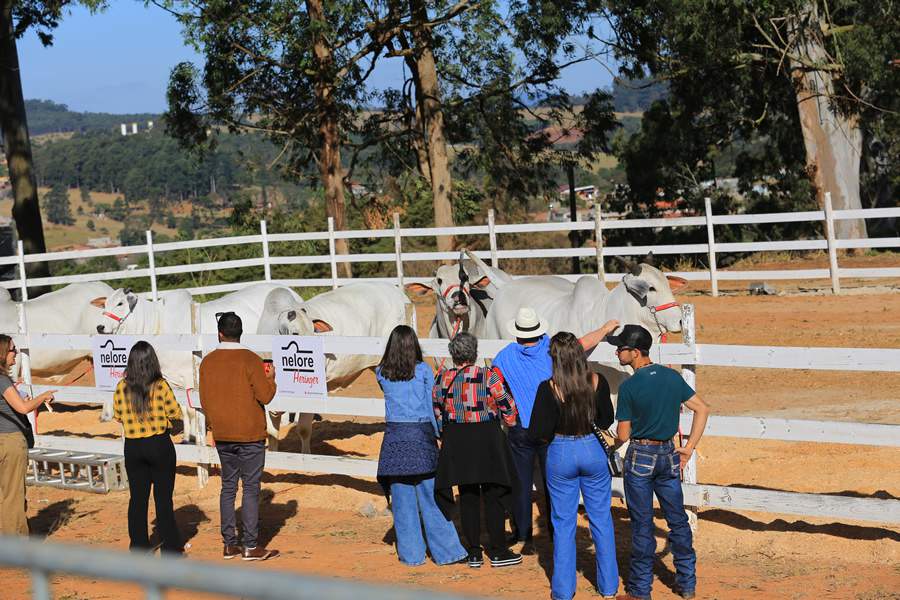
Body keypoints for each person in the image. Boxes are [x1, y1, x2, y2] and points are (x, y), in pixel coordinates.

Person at [492, 307, 619, 550]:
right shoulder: (551, 349)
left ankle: (522, 535)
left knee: (520, 483)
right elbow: (582, 343)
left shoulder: (503, 357)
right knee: (555, 484)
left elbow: (497, 386)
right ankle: (554, 532)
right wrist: (604, 329)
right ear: (539, 330)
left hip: (520, 429)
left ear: (517, 333)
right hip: (552, 426)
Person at [610, 324, 710, 600]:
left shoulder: (629, 387)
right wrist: (688, 447)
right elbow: (702, 408)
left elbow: (623, 434)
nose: (617, 352)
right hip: (668, 454)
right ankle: (687, 583)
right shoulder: (671, 377)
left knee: (642, 525)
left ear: (635, 352)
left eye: (621, 348)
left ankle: (641, 591)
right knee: (677, 520)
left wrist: (613, 442)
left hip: (641, 456)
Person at [528, 332, 618, 600]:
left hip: (561, 450)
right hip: (591, 448)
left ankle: (564, 590)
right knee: (601, 518)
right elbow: (605, 419)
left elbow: (537, 431)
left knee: (563, 522)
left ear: (554, 357)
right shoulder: (596, 380)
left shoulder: (549, 387)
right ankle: (609, 587)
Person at [375, 325, 467, 567]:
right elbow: (429, 405)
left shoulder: (381, 372)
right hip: (421, 438)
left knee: (402, 503)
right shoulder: (424, 370)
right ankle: (447, 553)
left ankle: (412, 555)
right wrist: (439, 434)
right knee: (432, 498)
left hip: (394, 441)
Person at [433, 332, 521, 569]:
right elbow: (506, 404)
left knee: (468, 494)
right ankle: (498, 551)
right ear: (474, 352)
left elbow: (438, 410)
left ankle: (473, 553)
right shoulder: (487, 376)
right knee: (493, 493)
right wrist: (510, 423)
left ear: (453, 354)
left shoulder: (443, 378)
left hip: (458, 439)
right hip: (487, 437)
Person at [199, 312, 278, 561]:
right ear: (240, 332)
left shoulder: (208, 362)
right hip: (250, 433)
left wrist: (214, 425)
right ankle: (251, 545)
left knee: (228, 487)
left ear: (220, 333)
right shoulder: (250, 359)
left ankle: (229, 543)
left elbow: (204, 400)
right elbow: (265, 396)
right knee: (251, 488)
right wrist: (271, 379)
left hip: (223, 433)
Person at [112, 341, 184, 554]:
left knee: (137, 499)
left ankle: (139, 546)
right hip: (159, 444)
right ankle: (170, 547)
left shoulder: (121, 387)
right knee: (163, 499)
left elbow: (117, 416)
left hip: (133, 446)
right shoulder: (160, 385)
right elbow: (175, 412)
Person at [0, 335, 55, 535]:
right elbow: (23, 408)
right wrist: (42, 397)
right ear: (3, 353)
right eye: (13, 349)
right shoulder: (2, 380)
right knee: (13, 494)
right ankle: (15, 546)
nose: (15, 353)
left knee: (5, 493)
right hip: (10, 442)